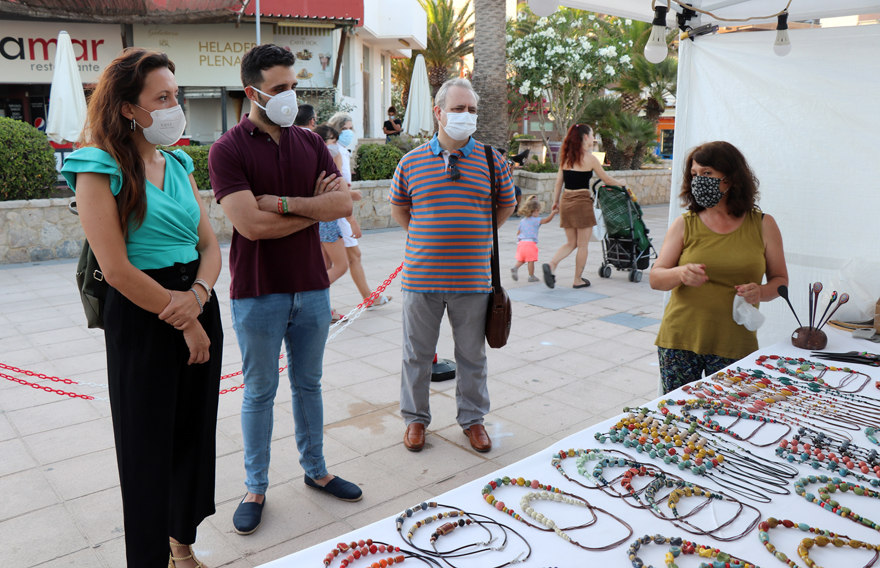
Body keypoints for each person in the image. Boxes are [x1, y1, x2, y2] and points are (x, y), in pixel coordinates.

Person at [61, 48, 223, 568]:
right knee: (146, 446)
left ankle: (182, 544)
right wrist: (187, 321)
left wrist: (198, 299)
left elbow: (211, 247)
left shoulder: (178, 161)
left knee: (193, 435)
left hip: (196, 299)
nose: (176, 105)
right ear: (129, 106)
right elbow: (118, 268)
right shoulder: (95, 166)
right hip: (141, 314)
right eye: (163, 97)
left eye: (177, 95)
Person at [207, 44, 361, 537]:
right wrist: (309, 209)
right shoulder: (227, 149)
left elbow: (341, 206)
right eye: (279, 89)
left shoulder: (311, 142)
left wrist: (282, 204)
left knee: (309, 385)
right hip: (258, 291)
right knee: (259, 391)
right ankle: (255, 487)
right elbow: (250, 226)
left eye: (294, 86)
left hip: (312, 287)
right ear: (252, 90)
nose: (289, 96)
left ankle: (316, 470)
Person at [390, 78, 516, 453]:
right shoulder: (411, 162)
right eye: (459, 109)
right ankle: (415, 420)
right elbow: (400, 208)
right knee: (416, 355)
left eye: (472, 110)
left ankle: (473, 420)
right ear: (439, 112)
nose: (466, 116)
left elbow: (505, 204)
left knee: (472, 356)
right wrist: (428, 234)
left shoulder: (493, 160)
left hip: (474, 279)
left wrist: (475, 230)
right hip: (421, 279)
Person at [650, 141, 789, 393]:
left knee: (729, 420)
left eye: (707, 174)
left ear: (731, 178)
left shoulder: (763, 225)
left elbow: (780, 281)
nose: (699, 180)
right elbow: (656, 278)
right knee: (679, 419)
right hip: (680, 340)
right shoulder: (685, 224)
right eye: (694, 174)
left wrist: (761, 291)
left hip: (734, 344)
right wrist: (680, 273)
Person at [542, 124, 626, 289]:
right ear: (585, 137)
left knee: (571, 242)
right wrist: (620, 183)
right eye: (592, 134)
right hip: (581, 202)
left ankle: (552, 265)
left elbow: (559, 182)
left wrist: (555, 202)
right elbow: (607, 180)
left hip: (566, 200)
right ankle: (577, 280)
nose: (593, 138)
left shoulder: (566, 158)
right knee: (582, 245)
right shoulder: (590, 159)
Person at [326, 113, 394, 310]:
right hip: (339, 213)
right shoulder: (334, 151)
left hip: (340, 211)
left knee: (339, 260)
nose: (349, 132)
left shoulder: (342, 151)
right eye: (345, 128)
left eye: (350, 128)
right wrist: (351, 217)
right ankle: (317, 301)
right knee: (349, 258)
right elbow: (338, 186)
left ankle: (367, 297)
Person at [313, 124, 350, 322]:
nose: (336, 145)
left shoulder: (316, 161)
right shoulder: (323, 164)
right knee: (341, 265)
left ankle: (323, 307)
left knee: (324, 265)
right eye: (333, 141)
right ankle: (314, 299)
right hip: (326, 222)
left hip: (323, 222)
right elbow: (341, 198)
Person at [511, 196, 556, 283]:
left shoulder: (523, 220)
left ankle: (515, 267)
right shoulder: (536, 220)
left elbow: (518, 233)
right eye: (538, 211)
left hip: (521, 243)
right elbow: (546, 220)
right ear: (534, 211)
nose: (539, 213)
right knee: (530, 260)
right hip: (530, 243)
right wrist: (553, 213)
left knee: (522, 259)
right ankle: (531, 276)